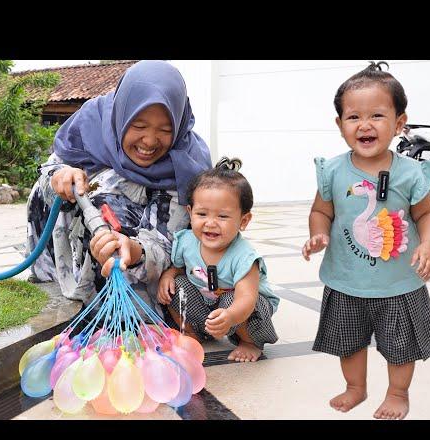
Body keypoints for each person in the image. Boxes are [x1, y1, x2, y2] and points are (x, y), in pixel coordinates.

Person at [302, 62, 430, 420]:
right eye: (353, 117)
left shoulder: (409, 173)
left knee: (401, 346)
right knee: (348, 342)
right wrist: (317, 233)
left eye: (377, 115)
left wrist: (427, 245)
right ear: (340, 125)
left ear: (399, 123)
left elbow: (426, 215)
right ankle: (356, 387)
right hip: (347, 279)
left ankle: (398, 392)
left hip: (398, 282)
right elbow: (322, 211)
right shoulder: (332, 171)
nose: (364, 125)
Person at [25, 60, 212, 321]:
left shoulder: (184, 164)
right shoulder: (93, 123)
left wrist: (135, 250)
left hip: (132, 262)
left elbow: (169, 241)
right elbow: (50, 170)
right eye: (139, 126)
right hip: (73, 250)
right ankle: (57, 276)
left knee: (111, 207)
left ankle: (111, 304)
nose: (149, 141)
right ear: (122, 113)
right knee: (59, 189)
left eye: (165, 130)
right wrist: (60, 175)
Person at [157, 159, 279, 362]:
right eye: (202, 214)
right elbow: (178, 268)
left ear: (243, 220)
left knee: (234, 300)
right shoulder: (186, 241)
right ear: (190, 213)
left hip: (243, 308)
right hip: (206, 303)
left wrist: (231, 316)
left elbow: (247, 299)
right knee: (176, 287)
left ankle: (250, 342)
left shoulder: (245, 257)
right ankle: (192, 333)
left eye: (222, 216)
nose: (210, 223)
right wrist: (168, 276)